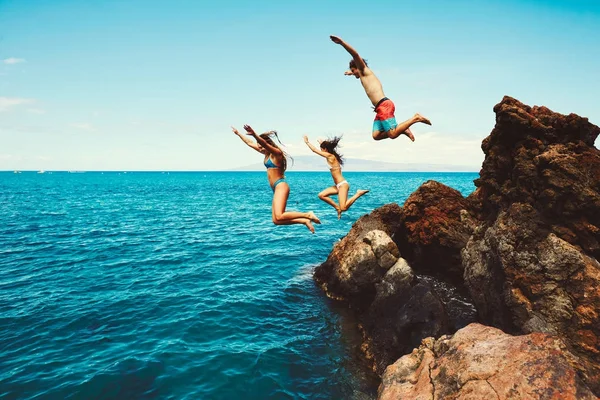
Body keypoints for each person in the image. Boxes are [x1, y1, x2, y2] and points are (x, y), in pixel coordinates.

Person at [330, 35, 431, 141]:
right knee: (376, 135)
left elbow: (355, 55)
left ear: (358, 67)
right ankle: (402, 129)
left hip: (384, 105)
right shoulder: (363, 75)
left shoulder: (364, 70)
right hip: (379, 108)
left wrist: (341, 43)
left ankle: (416, 118)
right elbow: (356, 73)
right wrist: (351, 73)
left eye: (353, 70)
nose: (353, 72)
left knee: (392, 134)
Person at [232, 125, 321, 233]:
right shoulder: (266, 153)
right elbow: (250, 143)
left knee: (280, 215)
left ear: (267, 144)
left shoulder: (277, 154)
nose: (259, 147)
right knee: (276, 220)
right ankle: (304, 221)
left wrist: (255, 134)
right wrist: (238, 134)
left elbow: (264, 143)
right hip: (275, 188)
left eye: (261, 145)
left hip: (281, 186)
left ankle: (308, 214)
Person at [303, 135, 369, 219]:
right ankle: (337, 207)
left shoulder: (331, 156)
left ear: (325, 149)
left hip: (342, 185)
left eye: (322, 149)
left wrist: (307, 142)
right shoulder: (331, 155)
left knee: (344, 208)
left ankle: (358, 193)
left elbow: (314, 150)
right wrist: (322, 143)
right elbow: (325, 149)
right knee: (321, 195)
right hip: (338, 186)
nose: (321, 151)